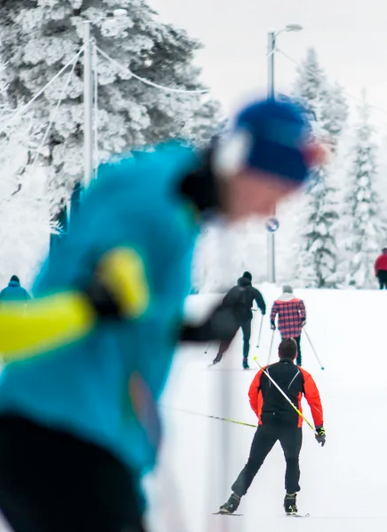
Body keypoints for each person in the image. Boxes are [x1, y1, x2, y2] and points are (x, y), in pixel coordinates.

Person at [0, 97, 324, 532]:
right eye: (275, 192)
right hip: (57, 429)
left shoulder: (180, 203)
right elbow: (102, 293)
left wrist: (189, 330)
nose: (269, 212)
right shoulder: (154, 197)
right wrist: (112, 292)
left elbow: (125, 311)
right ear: (244, 164)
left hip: (91, 435)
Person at [218, 338, 325, 516]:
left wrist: (261, 415)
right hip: (292, 426)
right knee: (292, 461)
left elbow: (252, 394)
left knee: (253, 463)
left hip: (267, 424)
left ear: (279, 353)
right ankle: (290, 501)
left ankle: (233, 500)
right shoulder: (302, 374)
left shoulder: (264, 372)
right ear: (295, 354)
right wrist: (319, 428)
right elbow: (314, 401)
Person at [212, 271, 267, 369]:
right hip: (246, 317)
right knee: (246, 339)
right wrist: (263, 309)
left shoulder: (234, 289)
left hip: (234, 316)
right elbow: (260, 299)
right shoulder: (252, 290)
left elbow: (225, 301)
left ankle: (218, 356)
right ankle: (245, 360)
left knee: (227, 337)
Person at [270, 285, 307, 366]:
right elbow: (302, 310)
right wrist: (303, 319)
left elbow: (273, 313)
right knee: (297, 346)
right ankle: (299, 364)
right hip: (296, 327)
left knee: (285, 347)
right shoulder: (297, 301)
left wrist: (272, 322)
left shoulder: (277, 302)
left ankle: (285, 363)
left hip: (284, 328)